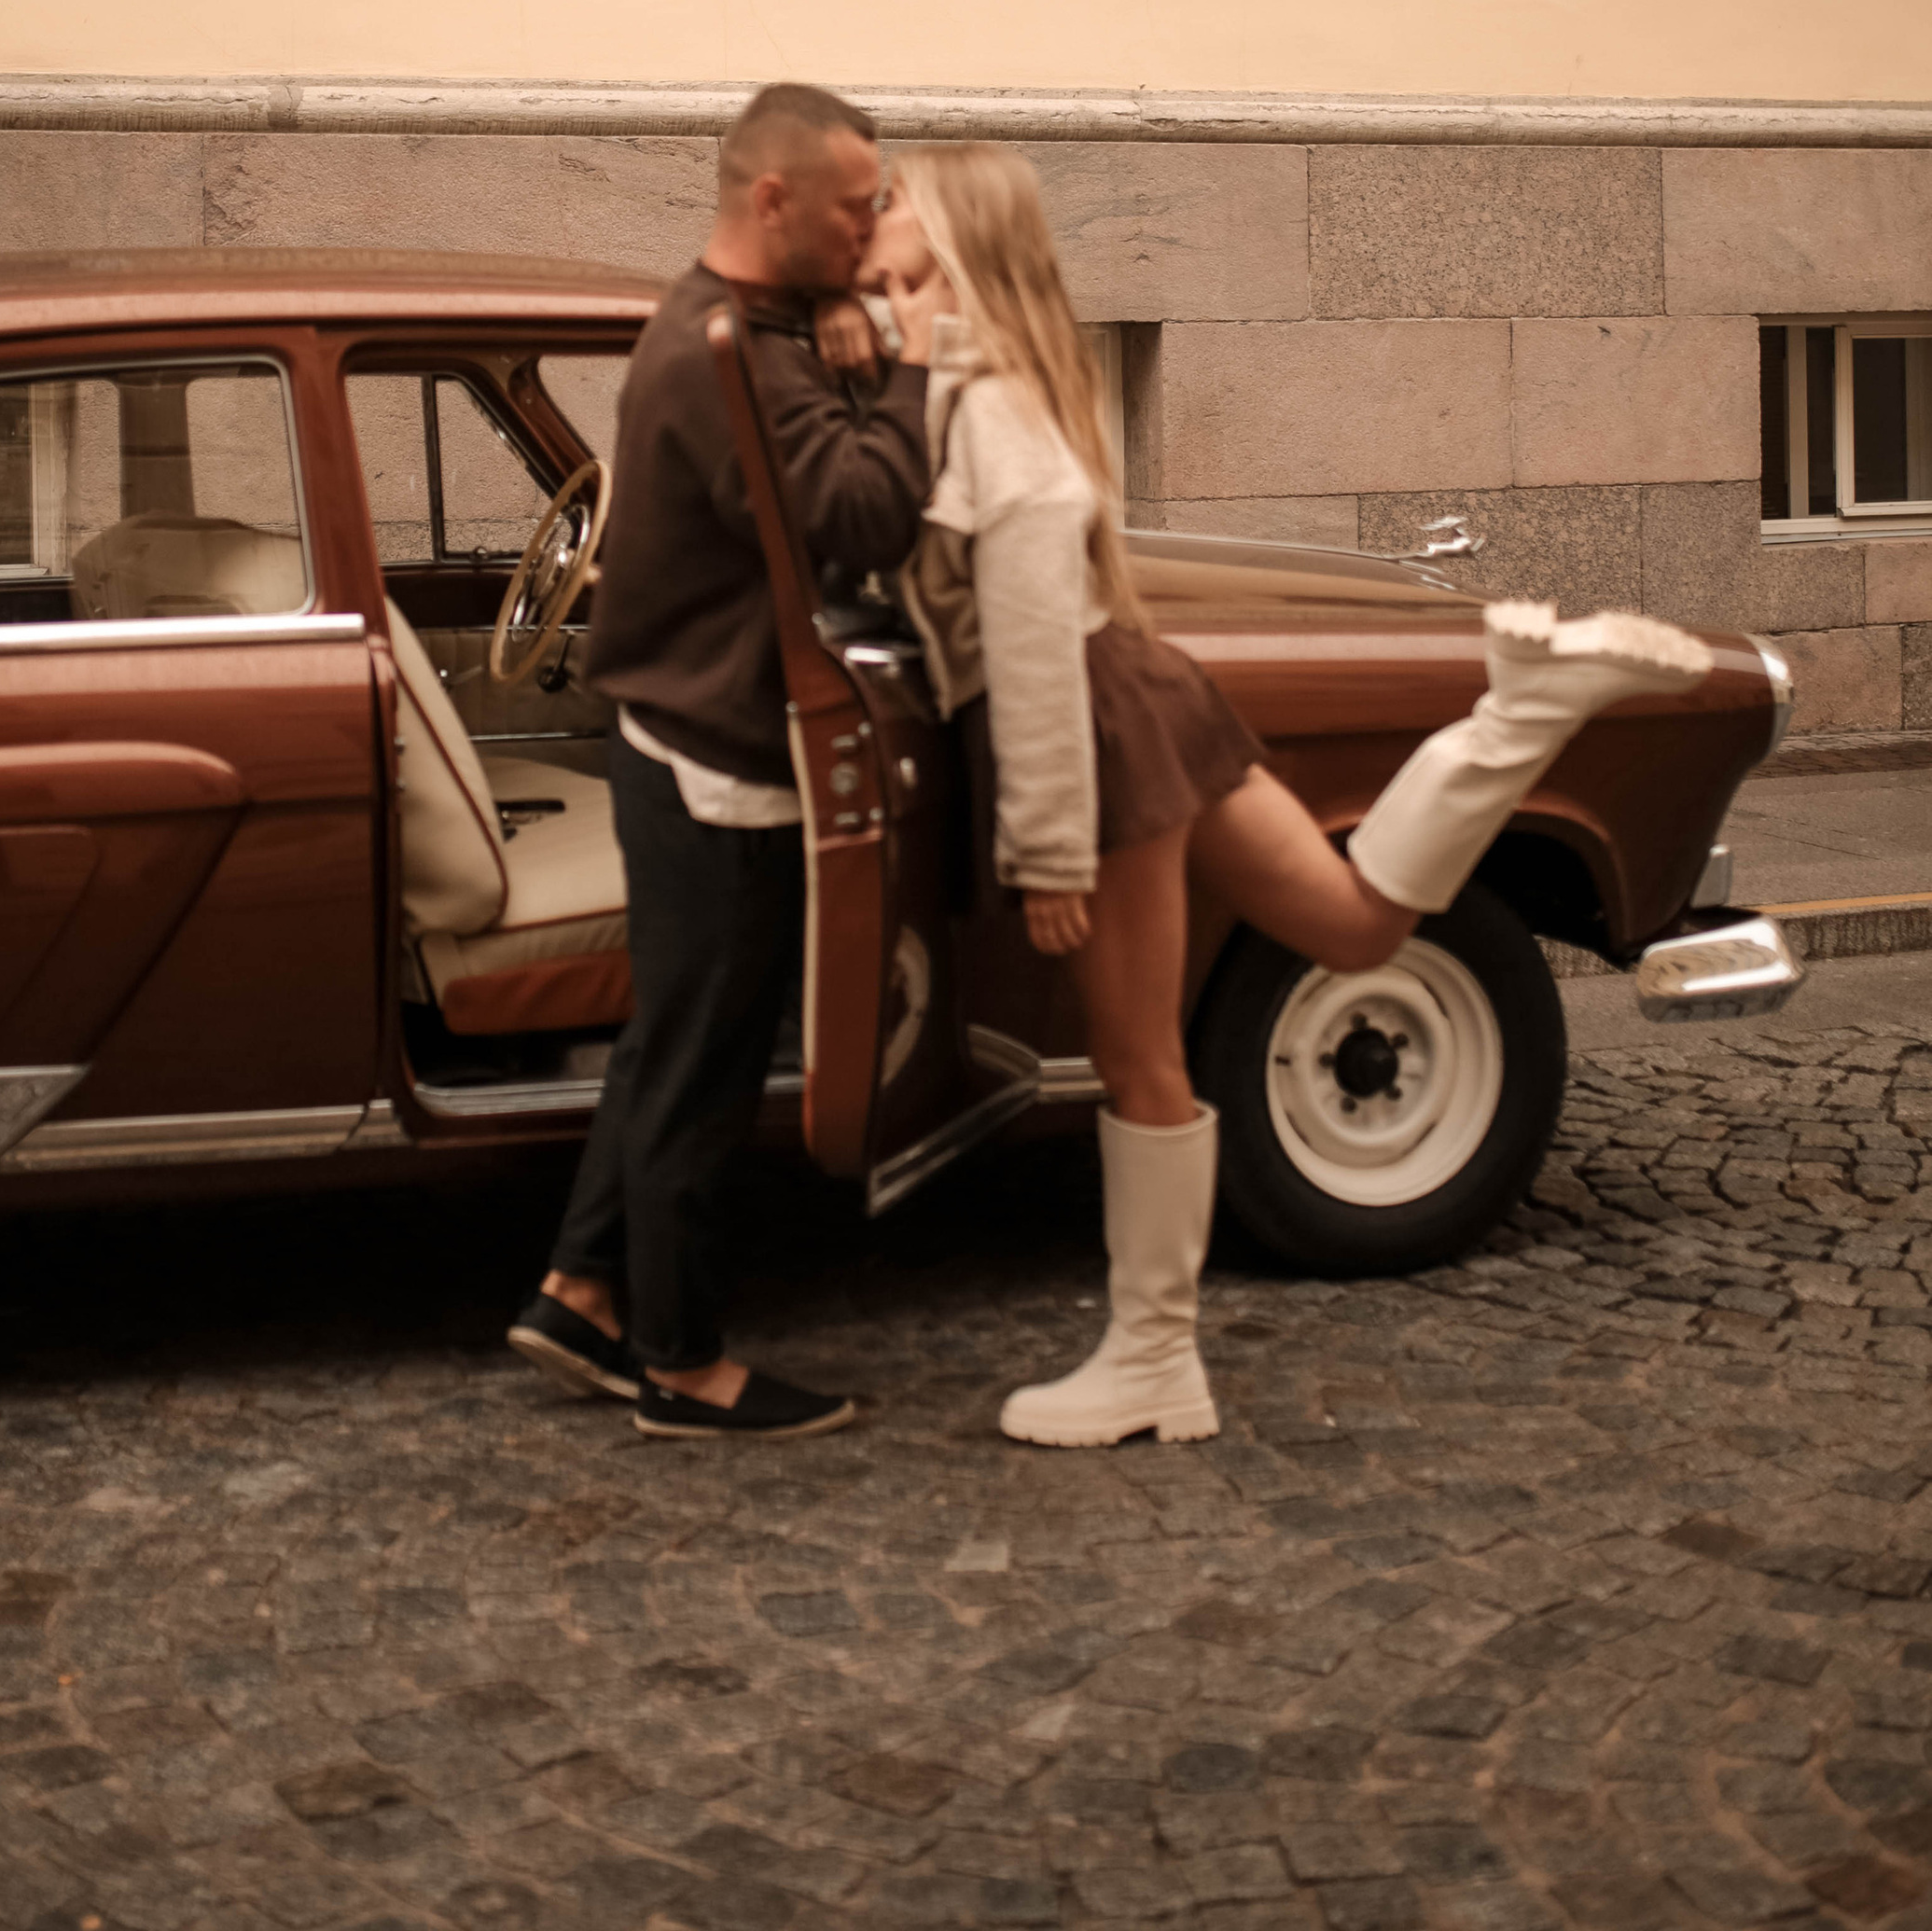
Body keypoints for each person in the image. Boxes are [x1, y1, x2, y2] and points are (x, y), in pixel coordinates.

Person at [864, 142, 1711, 1452]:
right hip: (1147, 692)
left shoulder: (982, 408)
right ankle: (1526, 707)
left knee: (1142, 1059)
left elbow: (1029, 647)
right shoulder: (1006, 383)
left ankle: (1153, 1362)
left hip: (1091, 727)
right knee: (1360, 929)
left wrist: (1040, 855)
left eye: (896, 221)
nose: (873, 232)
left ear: (957, 251)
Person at [507, 81, 942, 1442]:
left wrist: (850, 337)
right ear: (775, 201)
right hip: (719, 756)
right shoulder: (728, 353)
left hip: (675, 734)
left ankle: (581, 1288)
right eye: (858, 204)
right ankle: (683, 1366)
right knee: (706, 1056)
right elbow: (862, 518)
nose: (873, 225)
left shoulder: (729, 318)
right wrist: (920, 361)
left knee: (669, 1034)